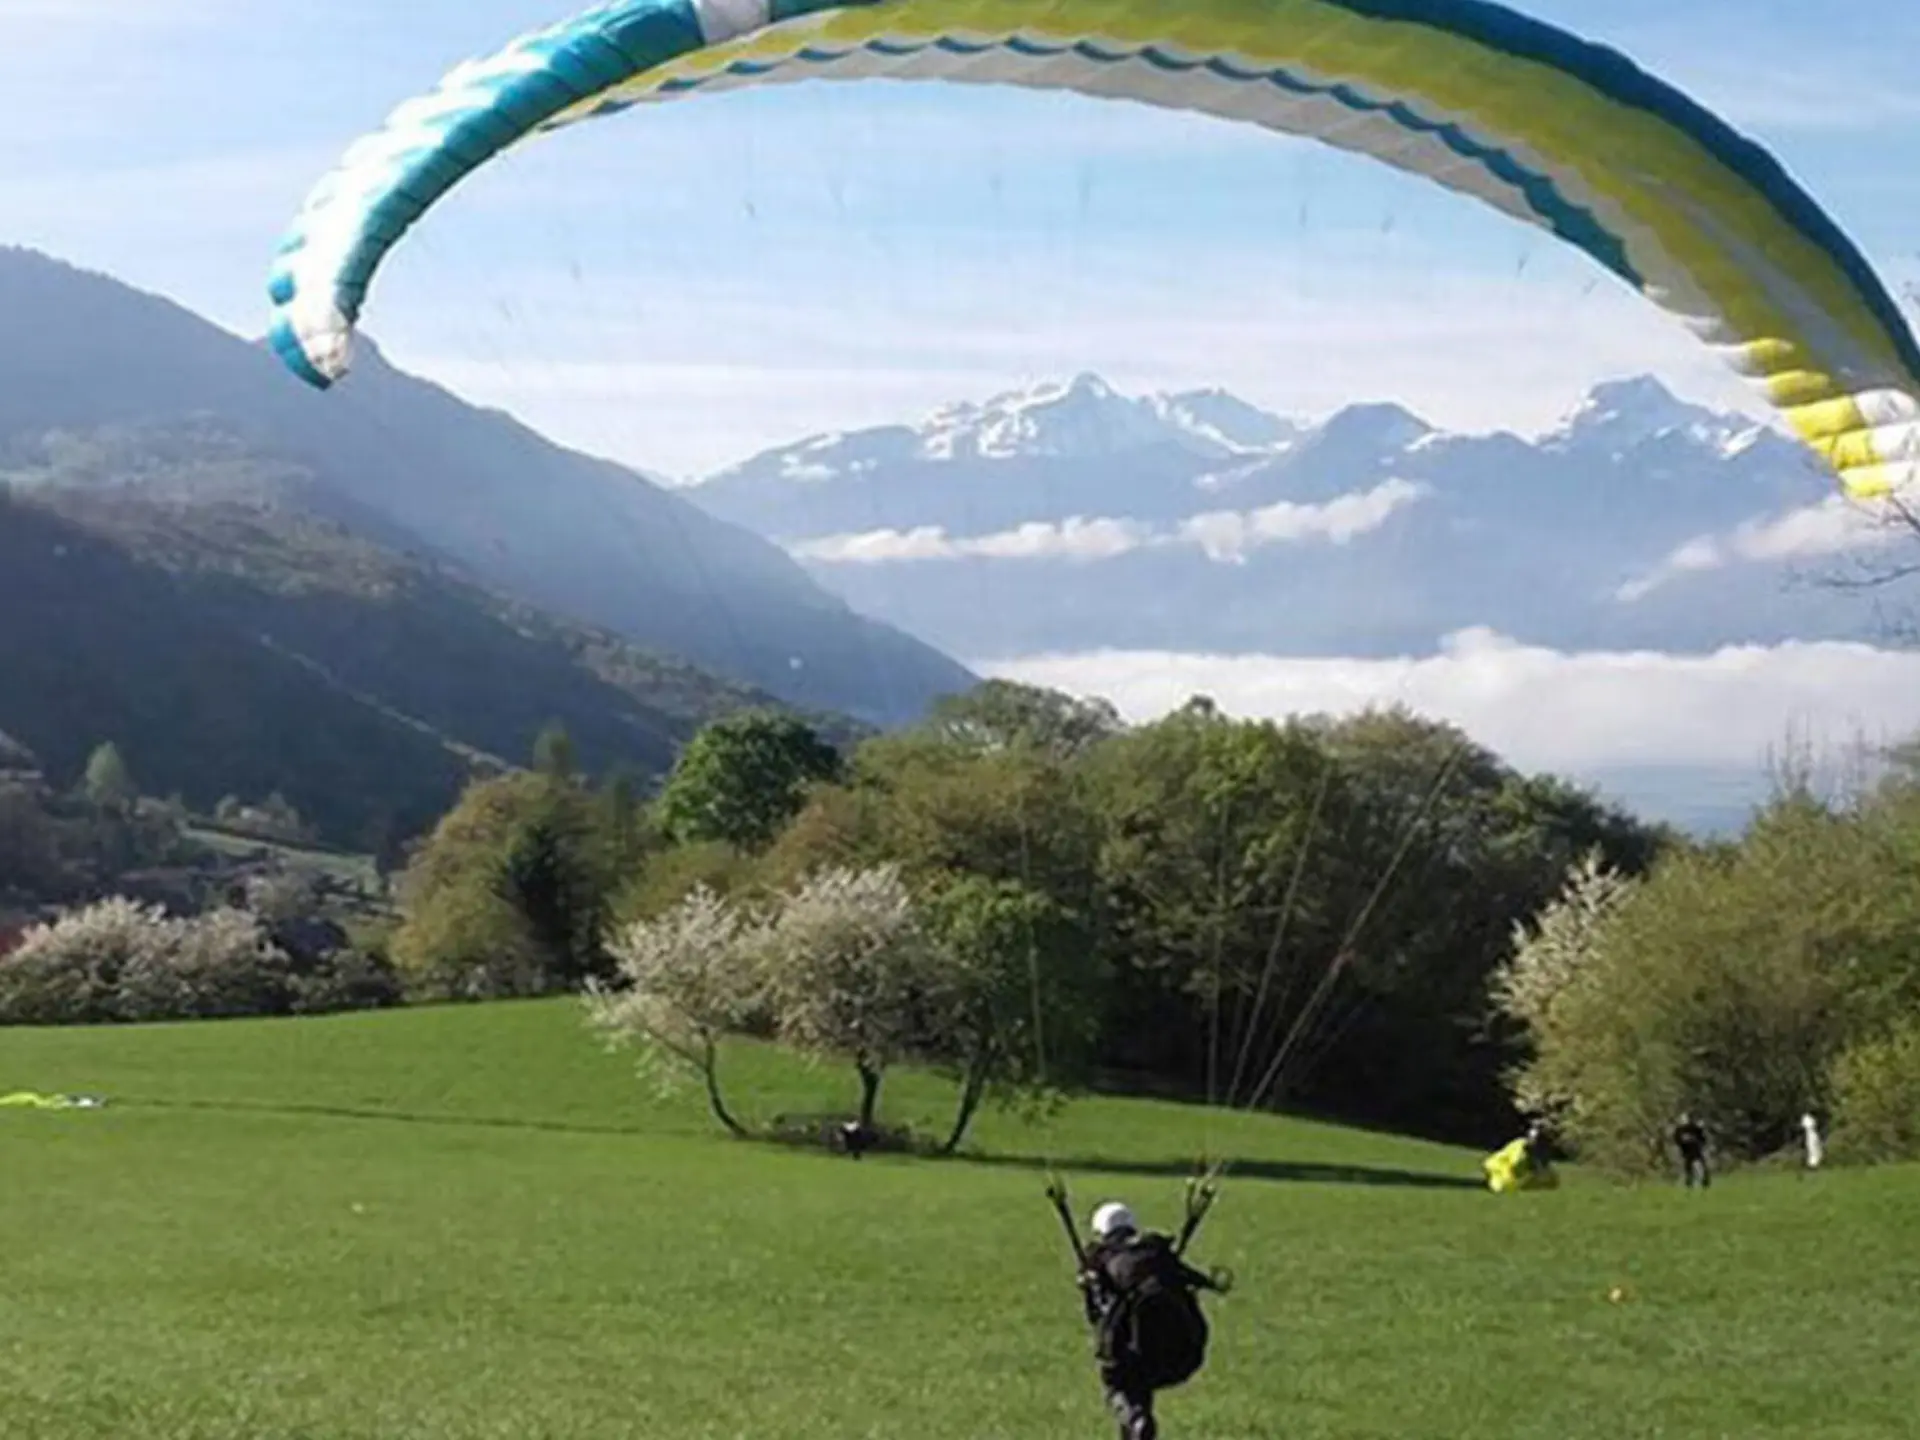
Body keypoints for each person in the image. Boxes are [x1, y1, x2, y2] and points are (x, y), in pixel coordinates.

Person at [1076, 1200, 1223, 1440]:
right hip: (1183, 1354)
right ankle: (1137, 1427)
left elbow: (1096, 1315)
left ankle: (1136, 1419)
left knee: (1119, 1382)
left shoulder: (1101, 1260)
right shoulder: (1157, 1252)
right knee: (1136, 1379)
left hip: (1134, 1355)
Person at [1673, 1113, 1710, 1188]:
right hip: (1687, 1151)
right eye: (1681, 1119)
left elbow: (1702, 1137)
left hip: (1696, 1150)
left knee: (1702, 1165)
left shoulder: (1693, 1127)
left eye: (1683, 1119)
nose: (1682, 1121)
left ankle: (1705, 1182)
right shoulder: (1679, 1130)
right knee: (1688, 1168)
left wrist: (1701, 1130)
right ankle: (1690, 1183)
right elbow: (1677, 1140)